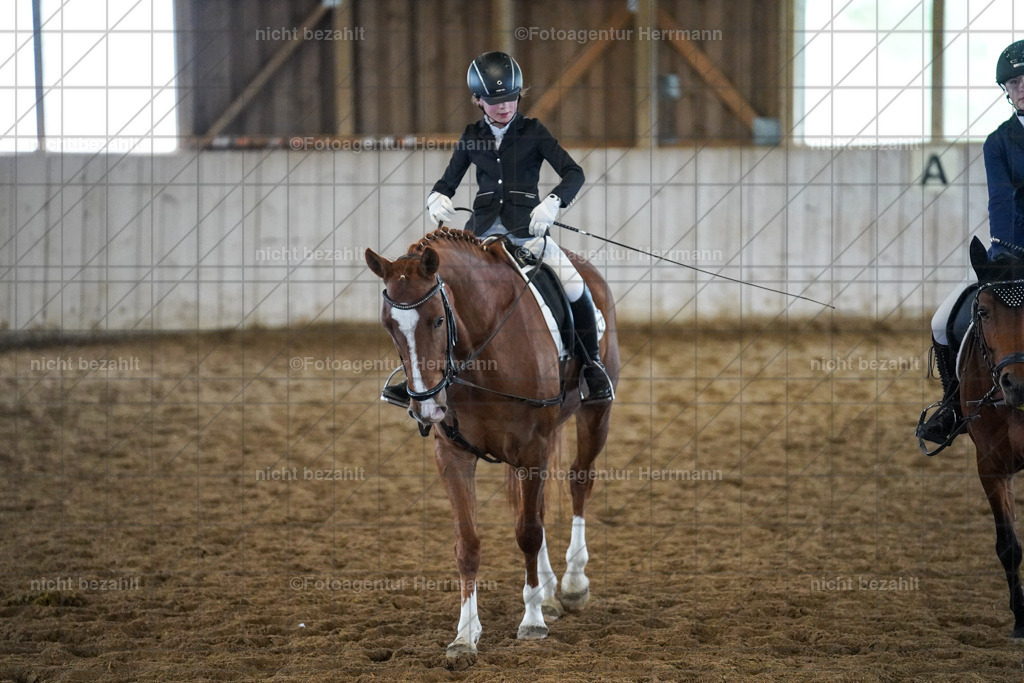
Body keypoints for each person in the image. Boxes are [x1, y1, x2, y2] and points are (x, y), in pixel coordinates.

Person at [387, 51, 613, 407]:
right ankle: (421, 378)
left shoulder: (533, 131)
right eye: (494, 101)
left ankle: (592, 366)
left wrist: (552, 203)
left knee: (574, 286)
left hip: (528, 233)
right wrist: (436, 197)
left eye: (510, 98)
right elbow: (448, 181)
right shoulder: (471, 136)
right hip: (479, 237)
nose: (504, 106)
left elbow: (574, 173)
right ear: (478, 100)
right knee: (433, 296)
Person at [917, 39, 1024, 449]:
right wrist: (1005, 253)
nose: (1020, 87)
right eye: (1013, 82)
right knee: (942, 322)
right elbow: (1000, 199)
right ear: (1006, 90)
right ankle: (952, 407)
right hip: (1010, 253)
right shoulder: (998, 142)